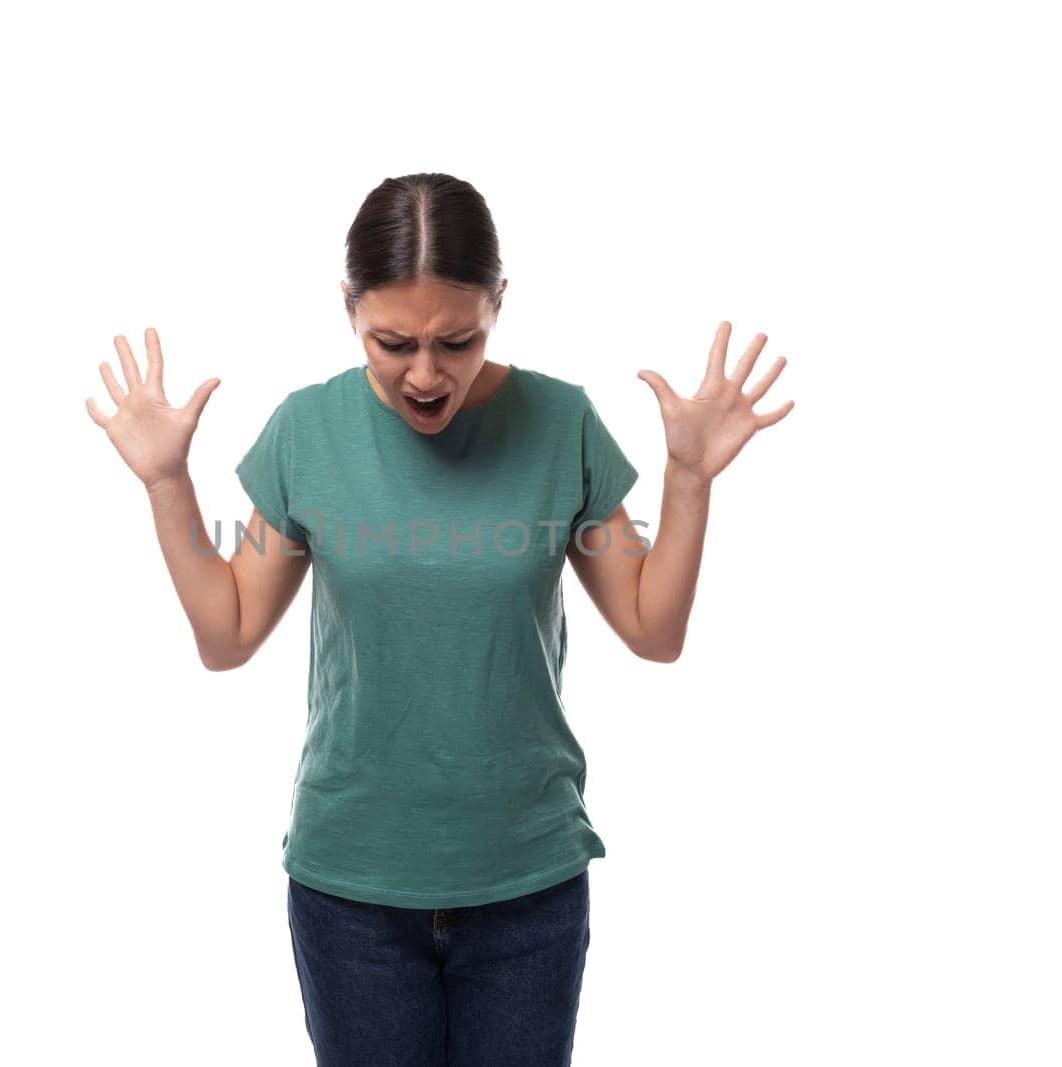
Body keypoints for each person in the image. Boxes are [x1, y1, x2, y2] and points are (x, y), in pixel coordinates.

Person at [85, 172, 794, 1066]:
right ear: (349, 311)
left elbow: (655, 630)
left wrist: (689, 481)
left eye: (457, 340)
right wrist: (165, 483)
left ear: (498, 304)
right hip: (353, 888)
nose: (426, 372)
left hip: (527, 882)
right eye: (394, 342)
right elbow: (226, 636)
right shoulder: (309, 429)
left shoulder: (559, 420)